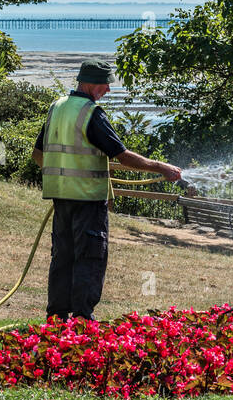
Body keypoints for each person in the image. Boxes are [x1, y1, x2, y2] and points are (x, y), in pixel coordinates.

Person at [31, 58, 187, 320]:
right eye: (106, 84)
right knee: (89, 257)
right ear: (91, 83)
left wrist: (63, 175)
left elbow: (38, 154)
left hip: (61, 197)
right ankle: (82, 319)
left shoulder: (56, 107)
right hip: (89, 200)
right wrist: (162, 167)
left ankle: (57, 318)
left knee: (62, 257)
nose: (108, 90)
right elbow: (122, 156)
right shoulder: (91, 112)